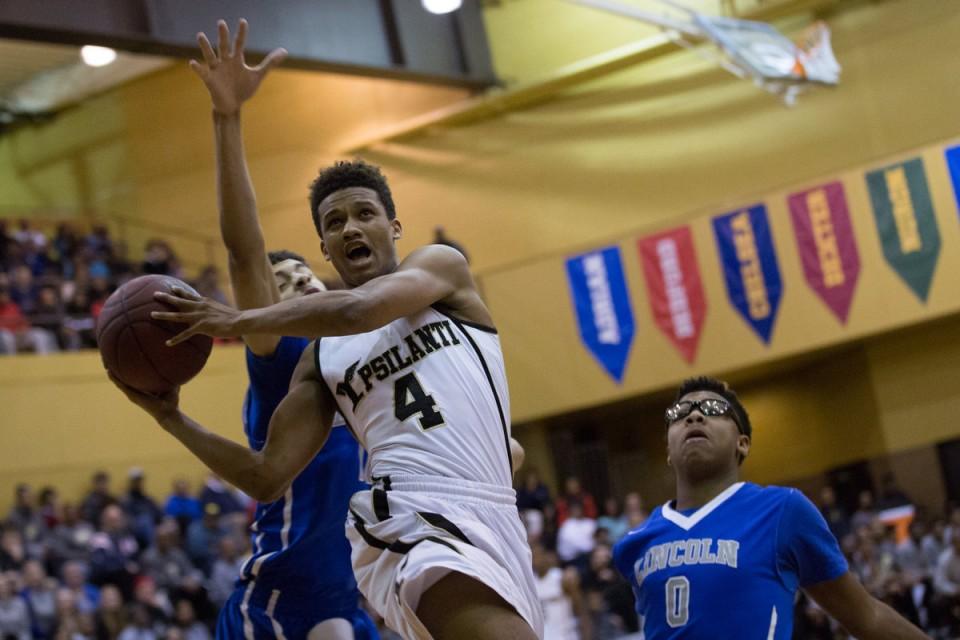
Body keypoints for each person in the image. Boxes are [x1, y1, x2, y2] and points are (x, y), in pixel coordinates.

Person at [111, 20, 540, 640]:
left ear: (394, 227)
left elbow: (360, 310)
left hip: (488, 514)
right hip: (394, 531)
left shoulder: (439, 270)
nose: (350, 228)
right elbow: (266, 474)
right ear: (325, 245)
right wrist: (171, 413)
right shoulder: (313, 356)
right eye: (335, 222)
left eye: (365, 214)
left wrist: (493, 451)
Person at [179, 19, 378, 640]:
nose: (298, 286)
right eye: (281, 284)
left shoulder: (378, 353)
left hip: (352, 596)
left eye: (302, 277)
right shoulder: (284, 353)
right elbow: (245, 252)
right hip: (281, 603)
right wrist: (227, 118)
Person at [612, 376, 927, 639]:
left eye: (713, 409)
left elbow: (866, 616)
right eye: (680, 413)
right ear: (668, 448)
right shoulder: (634, 543)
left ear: (742, 443)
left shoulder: (782, 511)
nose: (694, 416)